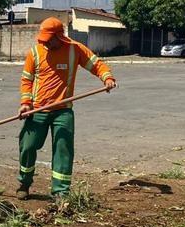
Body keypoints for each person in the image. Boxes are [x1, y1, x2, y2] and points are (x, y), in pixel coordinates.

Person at [17, 17, 117, 200]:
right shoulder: (35, 52)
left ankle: (61, 191)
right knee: (27, 146)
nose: (44, 41)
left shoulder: (74, 49)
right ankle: (24, 182)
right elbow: (26, 80)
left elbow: (96, 64)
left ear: (59, 36)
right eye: (43, 38)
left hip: (63, 110)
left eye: (48, 38)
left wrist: (107, 77)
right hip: (37, 110)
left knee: (63, 148)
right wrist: (25, 103)